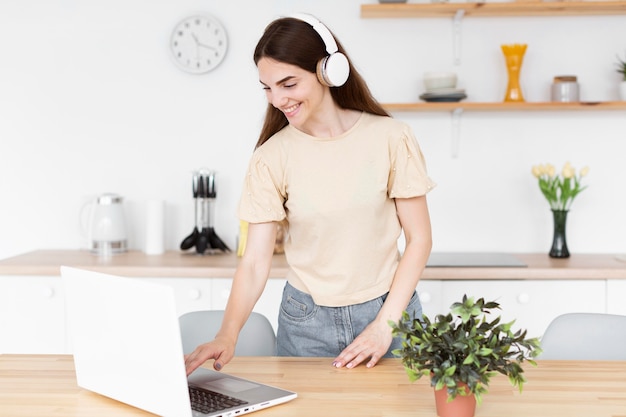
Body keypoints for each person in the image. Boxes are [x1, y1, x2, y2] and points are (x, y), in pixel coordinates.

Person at [184, 13, 435, 375]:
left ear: (329, 71)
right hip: (306, 324)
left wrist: (385, 326)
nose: (277, 100)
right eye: (267, 88)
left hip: (391, 312)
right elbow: (255, 262)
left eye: (288, 84)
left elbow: (419, 239)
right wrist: (227, 333)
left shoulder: (392, 138)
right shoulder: (271, 157)